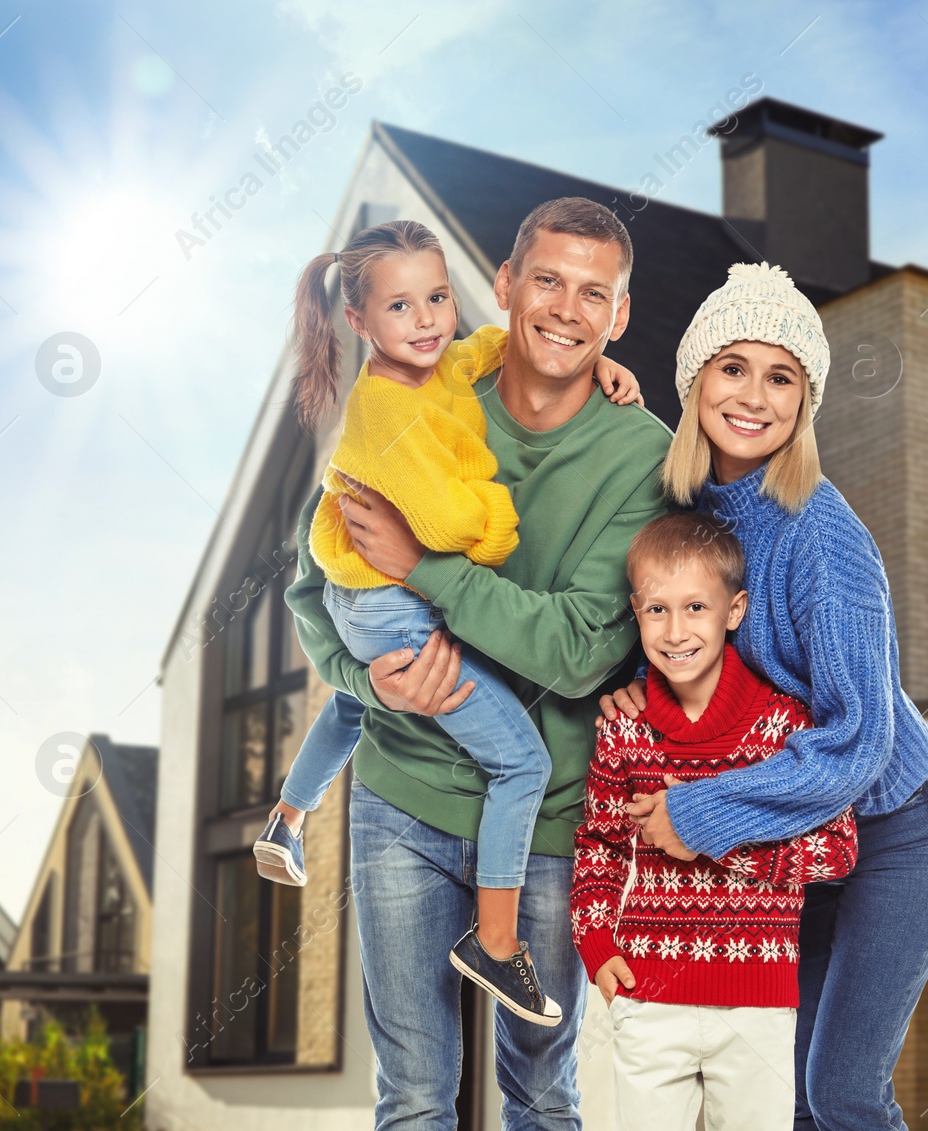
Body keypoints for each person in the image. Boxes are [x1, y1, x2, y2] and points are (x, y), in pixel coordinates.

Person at [285, 197, 671, 1129]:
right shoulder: (418, 396)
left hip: (547, 820)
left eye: (595, 294)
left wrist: (425, 570)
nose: (567, 309)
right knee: (413, 1094)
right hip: (401, 802)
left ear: (618, 317)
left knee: (541, 1092)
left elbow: (581, 650)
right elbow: (314, 589)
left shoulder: (645, 456)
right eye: (547, 280)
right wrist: (363, 678)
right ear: (504, 287)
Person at [599, 262, 928, 1131]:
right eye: (733, 367)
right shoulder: (686, 503)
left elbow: (859, 742)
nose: (754, 395)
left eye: (782, 376)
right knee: (780, 1099)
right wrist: (629, 683)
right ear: (697, 380)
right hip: (793, 837)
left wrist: (703, 811)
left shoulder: (821, 536)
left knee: (840, 1092)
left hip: (892, 831)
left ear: (806, 401)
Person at [573, 512, 856, 1131]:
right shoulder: (625, 728)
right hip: (648, 998)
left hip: (757, 1003)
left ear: (734, 611)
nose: (675, 631)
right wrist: (596, 947)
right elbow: (599, 844)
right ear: (636, 613)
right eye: (656, 610)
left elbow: (836, 849)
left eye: (696, 607)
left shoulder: (785, 728)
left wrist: (713, 836)